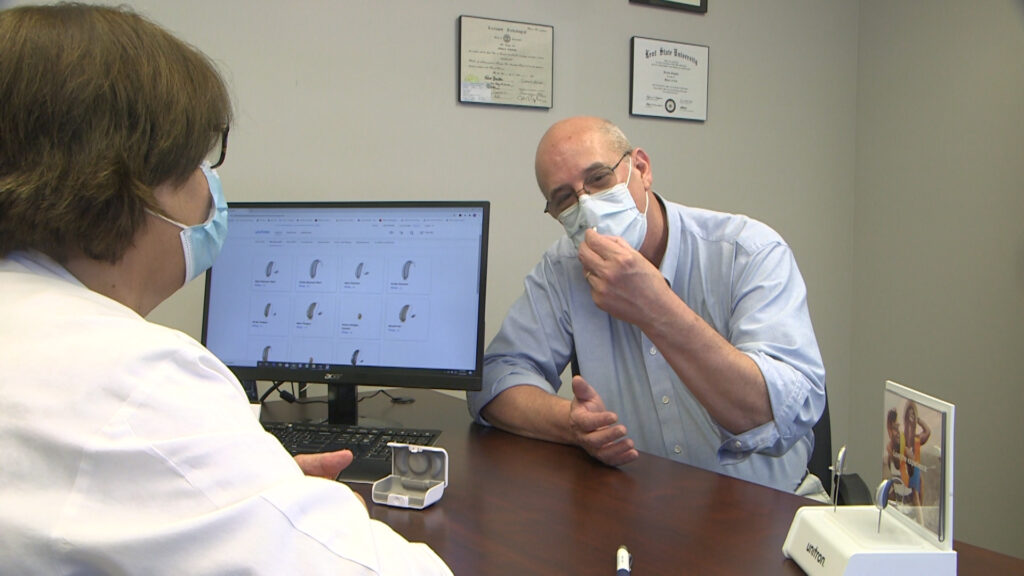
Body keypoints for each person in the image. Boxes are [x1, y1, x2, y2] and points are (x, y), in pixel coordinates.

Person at [0, 5, 450, 574]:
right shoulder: (136, 377)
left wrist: (251, 489)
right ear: (127, 181)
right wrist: (313, 512)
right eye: (197, 161)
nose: (210, 187)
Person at [467, 116, 827, 495]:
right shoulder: (564, 268)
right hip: (636, 508)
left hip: (769, 506)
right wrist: (571, 423)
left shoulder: (748, 252)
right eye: (565, 199)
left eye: (599, 178)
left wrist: (656, 307)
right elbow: (494, 379)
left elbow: (776, 414)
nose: (587, 206)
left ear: (641, 168)